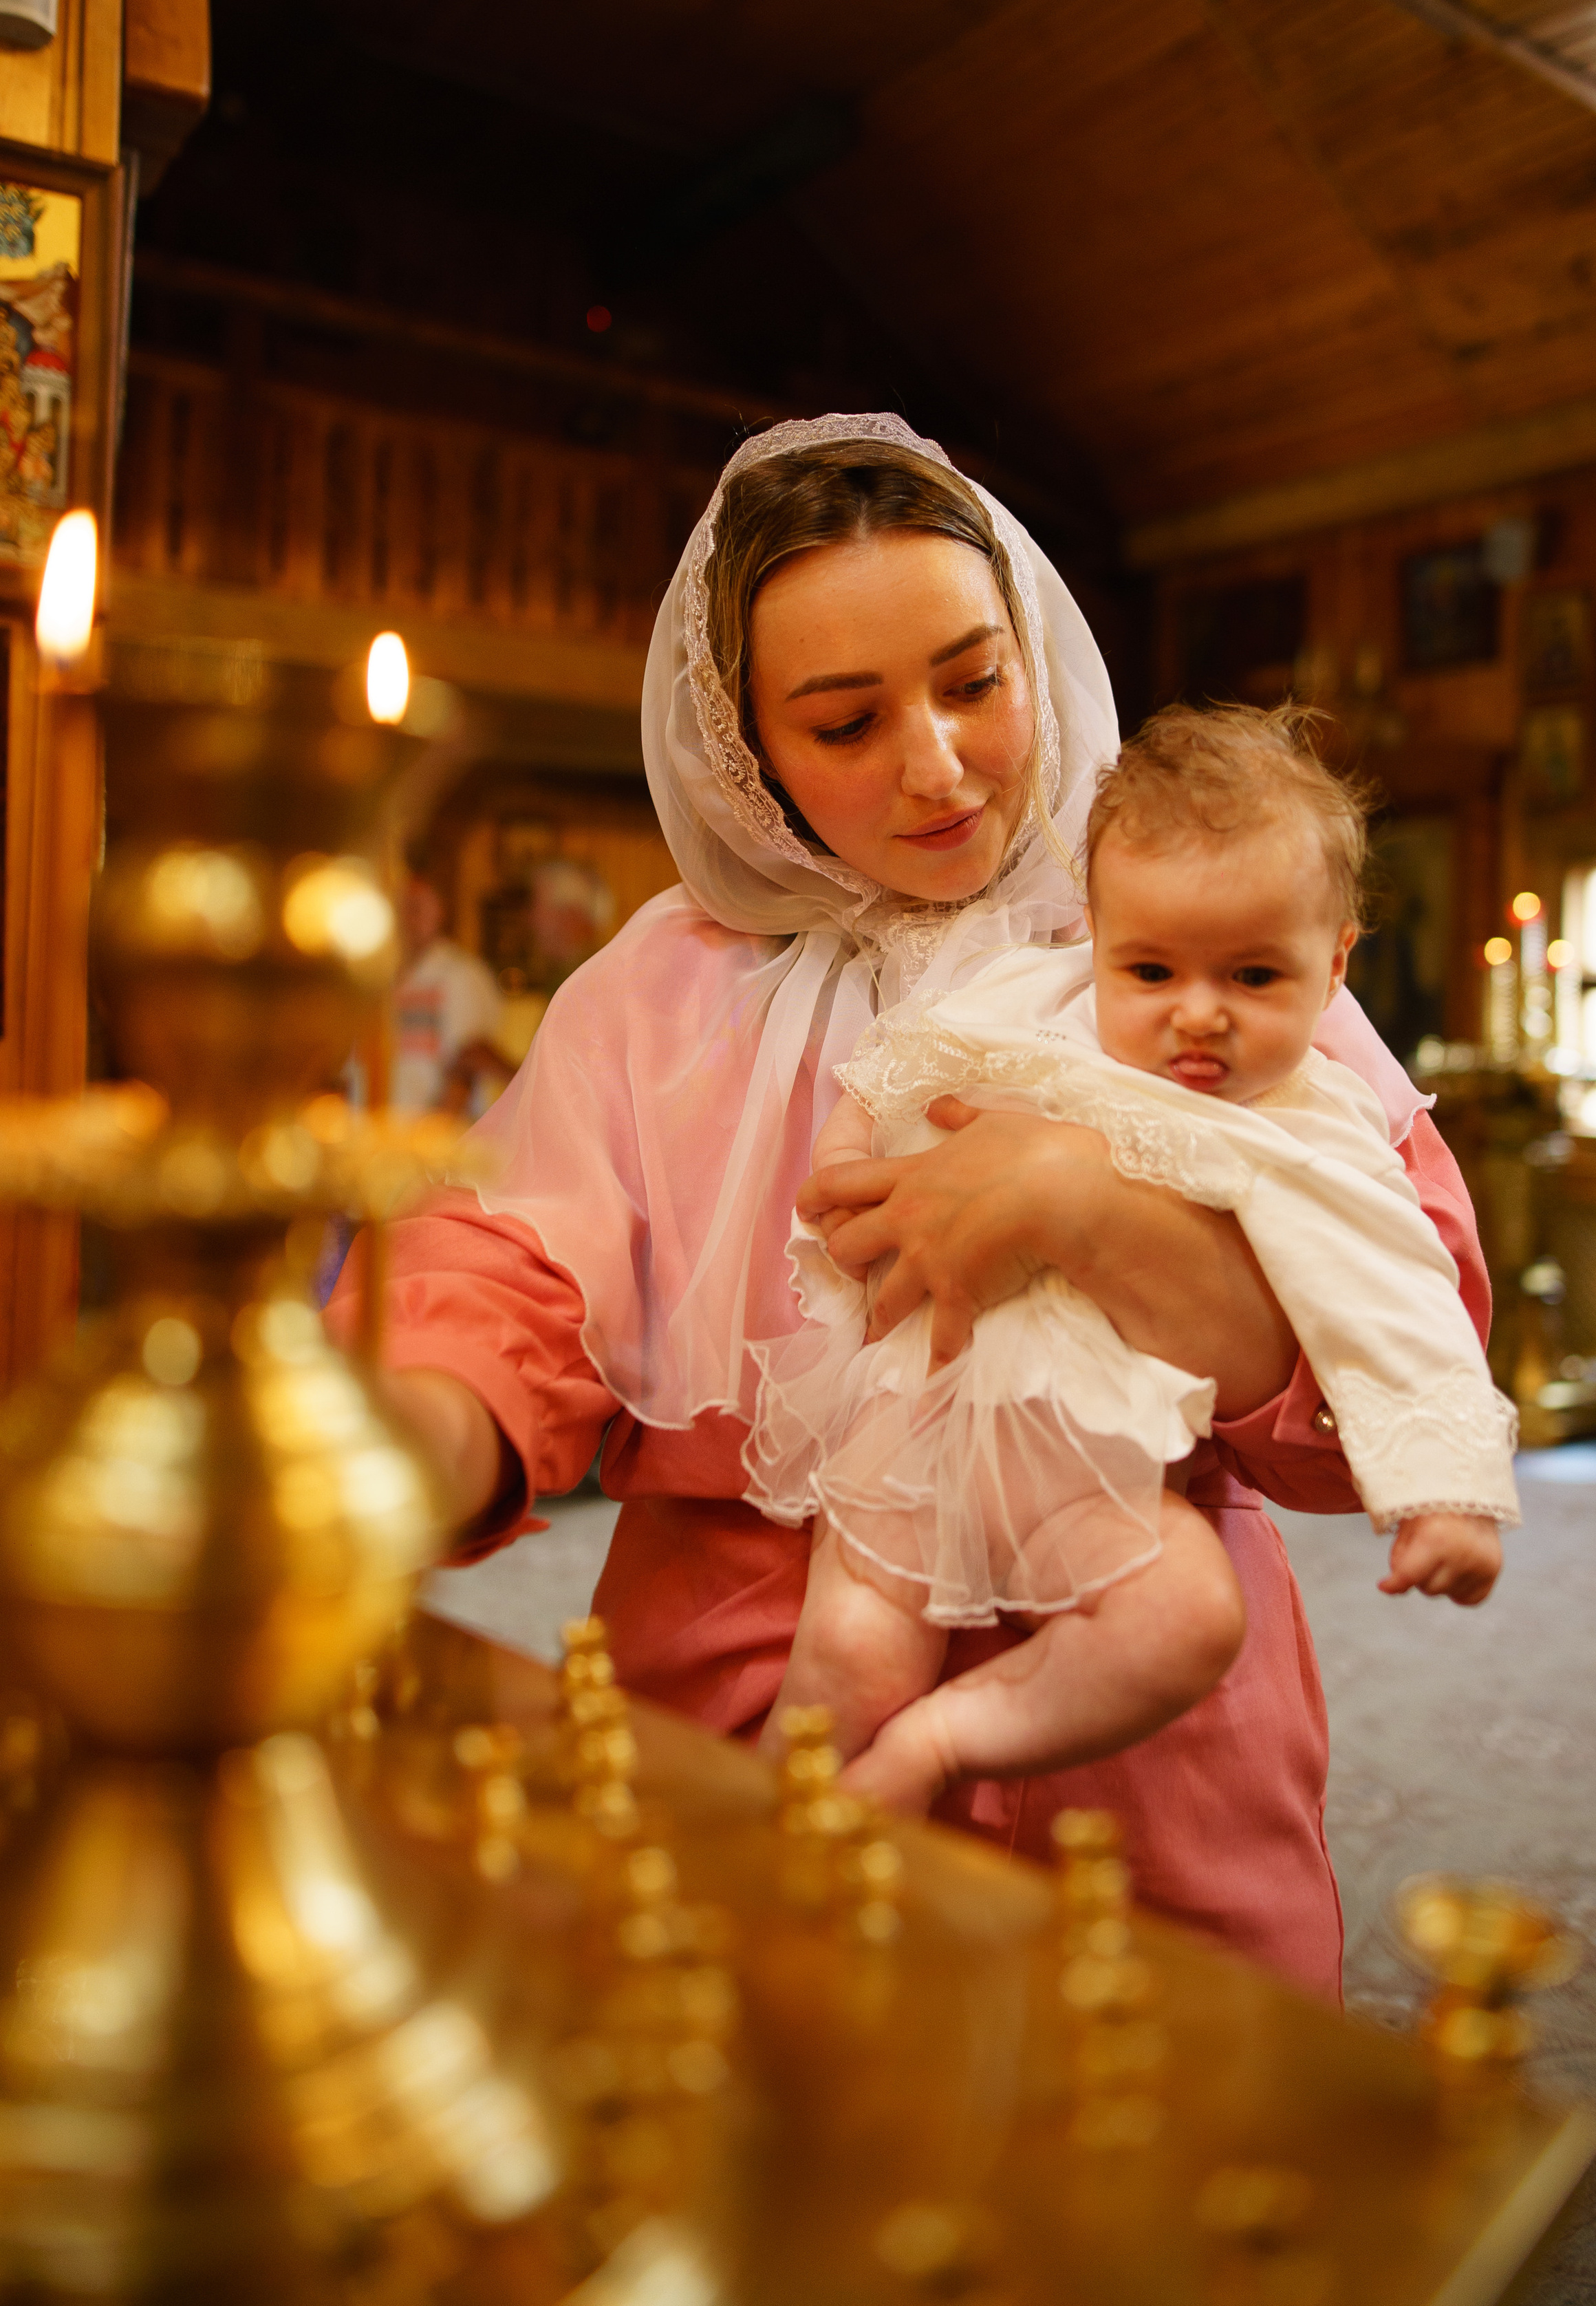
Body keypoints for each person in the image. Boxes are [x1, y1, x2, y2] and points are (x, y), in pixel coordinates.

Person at [330, 412, 1491, 1999]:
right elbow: (502, 1280)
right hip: (756, 1685)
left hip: (1136, 1723)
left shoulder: (1187, 944)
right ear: (750, 750)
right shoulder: (654, 995)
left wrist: (1083, 1203)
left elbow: (1393, 1312)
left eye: (970, 682)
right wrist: (397, 1433)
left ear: (1030, 657)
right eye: (844, 721)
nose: (935, 765)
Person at [748, 703, 1518, 1814]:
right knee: (847, 1657)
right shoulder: (1044, 995)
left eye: (1253, 978)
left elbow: (1400, 1297)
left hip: (1092, 1462)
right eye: (1150, 971)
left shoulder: (1318, 1126)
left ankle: (942, 1744)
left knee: (1185, 1621)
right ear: (1096, 938)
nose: (1197, 1016)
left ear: (1334, 965)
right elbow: (911, 1056)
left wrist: (1446, 1494)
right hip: (923, 1412)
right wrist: (849, 1154)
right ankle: (761, 1840)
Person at [391, 859, 506, 1117]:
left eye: (416, 908)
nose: (407, 919)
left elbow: (465, 1068)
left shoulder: (460, 975)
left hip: (433, 1135)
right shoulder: (384, 979)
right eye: (400, 908)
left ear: (440, 911)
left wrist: (431, 1135)